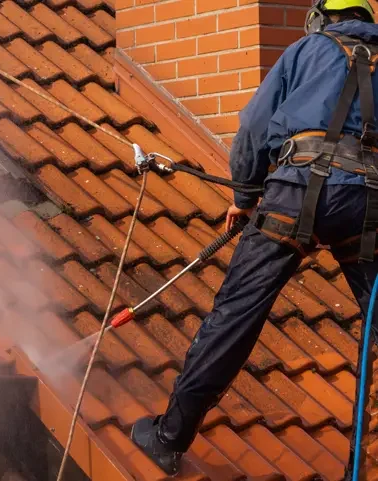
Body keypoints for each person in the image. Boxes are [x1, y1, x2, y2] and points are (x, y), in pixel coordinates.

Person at [130, 0, 378, 478]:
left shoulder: (308, 49)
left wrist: (245, 196)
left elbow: (253, 127)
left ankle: (168, 438)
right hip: (367, 206)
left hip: (297, 190)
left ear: (322, 18)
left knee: (237, 312)